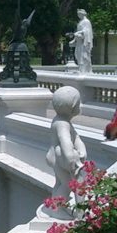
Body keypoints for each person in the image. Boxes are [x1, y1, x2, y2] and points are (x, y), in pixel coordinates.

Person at [44, 86, 87, 218]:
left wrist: (81, 149)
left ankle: (56, 205)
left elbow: (76, 138)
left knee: (60, 182)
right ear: (73, 107)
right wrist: (71, 157)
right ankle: (58, 210)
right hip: (59, 157)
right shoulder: (63, 124)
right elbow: (66, 141)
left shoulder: (60, 120)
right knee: (67, 184)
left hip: (55, 156)